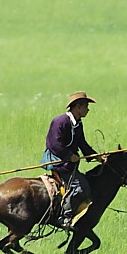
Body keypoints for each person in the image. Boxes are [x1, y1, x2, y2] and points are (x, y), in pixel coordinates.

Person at [42, 91, 102, 230]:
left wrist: (96, 157)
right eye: (86, 106)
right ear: (78, 107)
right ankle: (64, 217)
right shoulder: (60, 121)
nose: (88, 109)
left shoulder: (78, 124)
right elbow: (54, 144)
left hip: (69, 163)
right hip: (58, 162)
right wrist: (69, 156)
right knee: (81, 188)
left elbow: (83, 144)